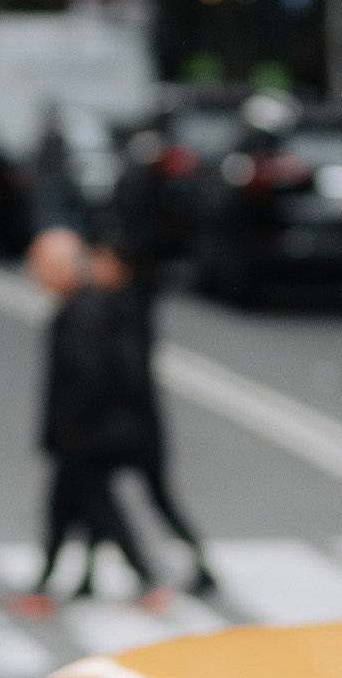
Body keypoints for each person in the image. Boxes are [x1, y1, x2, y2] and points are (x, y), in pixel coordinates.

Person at [14, 231, 166, 613]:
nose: (33, 272)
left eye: (40, 264)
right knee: (69, 511)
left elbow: (88, 377)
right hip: (83, 434)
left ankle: (142, 579)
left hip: (83, 437)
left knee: (94, 510)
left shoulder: (81, 310)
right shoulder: (85, 305)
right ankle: (50, 583)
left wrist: (71, 427)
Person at [92, 233, 219, 598]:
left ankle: (181, 566)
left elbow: (129, 370)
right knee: (109, 495)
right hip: (136, 422)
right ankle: (195, 565)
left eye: (102, 260)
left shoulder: (123, 307)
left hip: (131, 425)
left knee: (144, 498)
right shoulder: (127, 302)